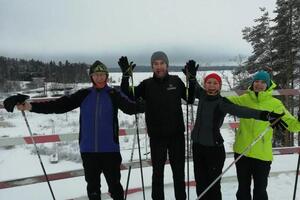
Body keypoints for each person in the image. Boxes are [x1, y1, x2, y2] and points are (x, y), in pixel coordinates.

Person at [4, 60, 144, 200]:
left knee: (115, 188)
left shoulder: (114, 94)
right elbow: (58, 105)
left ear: (107, 76)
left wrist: (143, 105)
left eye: (102, 75)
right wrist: (30, 106)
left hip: (110, 150)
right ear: (91, 77)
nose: (99, 78)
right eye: (96, 75)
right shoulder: (83, 94)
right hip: (88, 151)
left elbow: (129, 107)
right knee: (93, 188)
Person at [183, 60, 286, 200]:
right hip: (197, 147)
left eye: (215, 83)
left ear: (220, 86)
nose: (211, 85)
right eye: (209, 82)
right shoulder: (202, 95)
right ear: (205, 84)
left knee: (213, 187)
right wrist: (192, 78)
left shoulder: (222, 103)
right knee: (201, 184)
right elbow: (194, 89)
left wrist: (265, 115)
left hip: (214, 149)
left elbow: (244, 111)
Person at [118, 51, 197, 200]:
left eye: (162, 63)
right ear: (152, 66)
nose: (159, 67)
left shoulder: (176, 81)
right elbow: (128, 95)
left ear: (167, 65)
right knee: (157, 174)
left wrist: (191, 79)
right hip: (157, 138)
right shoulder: (147, 84)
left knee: (179, 173)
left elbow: (190, 98)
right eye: (156, 64)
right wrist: (126, 76)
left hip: (177, 137)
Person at [227, 70, 300, 200]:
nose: (259, 84)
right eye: (256, 81)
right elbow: (222, 102)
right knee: (242, 190)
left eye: (262, 82)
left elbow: (293, 125)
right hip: (242, 151)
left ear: (268, 85)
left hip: (262, 155)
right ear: (252, 83)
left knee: (260, 191)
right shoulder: (244, 99)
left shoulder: (275, 104)